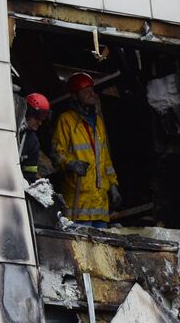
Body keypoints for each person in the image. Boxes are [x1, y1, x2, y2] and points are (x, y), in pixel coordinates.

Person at [50, 72, 120, 224]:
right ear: (75, 96)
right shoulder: (66, 121)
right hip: (78, 201)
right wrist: (70, 163)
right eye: (85, 91)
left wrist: (113, 185)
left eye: (92, 90)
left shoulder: (99, 122)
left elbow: (105, 159)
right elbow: (56, 154)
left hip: (100, 203)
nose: (91, 94)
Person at [18, 92, 51, 181]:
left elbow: (30, 174)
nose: (40, 123)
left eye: (42, 119)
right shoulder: (9, 126)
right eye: (37, 118)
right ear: (27, 113)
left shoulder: (32, 141)